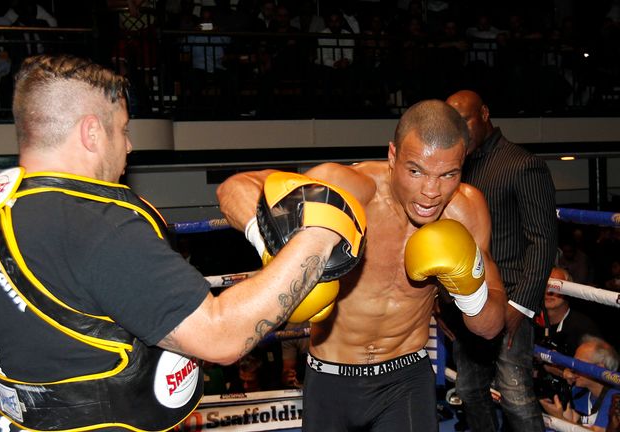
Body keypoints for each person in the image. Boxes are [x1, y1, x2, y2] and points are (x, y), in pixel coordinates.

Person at [0, 53, 360, 432]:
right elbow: (219, 337)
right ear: (92, 131)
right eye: (123, 129)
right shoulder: (94, 225)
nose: (128, 145)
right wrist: (319, 237)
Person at [217, 99, 507, 431]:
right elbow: (234, 189)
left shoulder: (466, 211)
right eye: (416, 171)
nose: (431, 192)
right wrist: (275, 245)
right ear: (393, 156)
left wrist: (471, 293)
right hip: (331, 378)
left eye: (447, 175)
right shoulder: (349, 188)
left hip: (406, 379)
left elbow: (490, 325)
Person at [445, 89, 558, 432]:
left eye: (463, 120)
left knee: (515, 395)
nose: (459, 131)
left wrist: (520, 306)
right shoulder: (459, 169)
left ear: (484, 114)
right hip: (468, 297)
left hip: (510, 298)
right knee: (468, 388)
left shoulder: (523, 164)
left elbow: (543, 240)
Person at [539, 336, 620, 431]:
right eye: (573, 363)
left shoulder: (615, 396)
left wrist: (559, 419)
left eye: (578, 364)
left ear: (599, 368)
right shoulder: (578, 392)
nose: (573, 368)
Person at [536, 267, 602, 357]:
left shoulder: (584, 328)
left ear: (568, 291)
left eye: (556, 286)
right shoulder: (530, 321)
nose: (548, 291)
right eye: (545, 285)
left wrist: (563, 370)